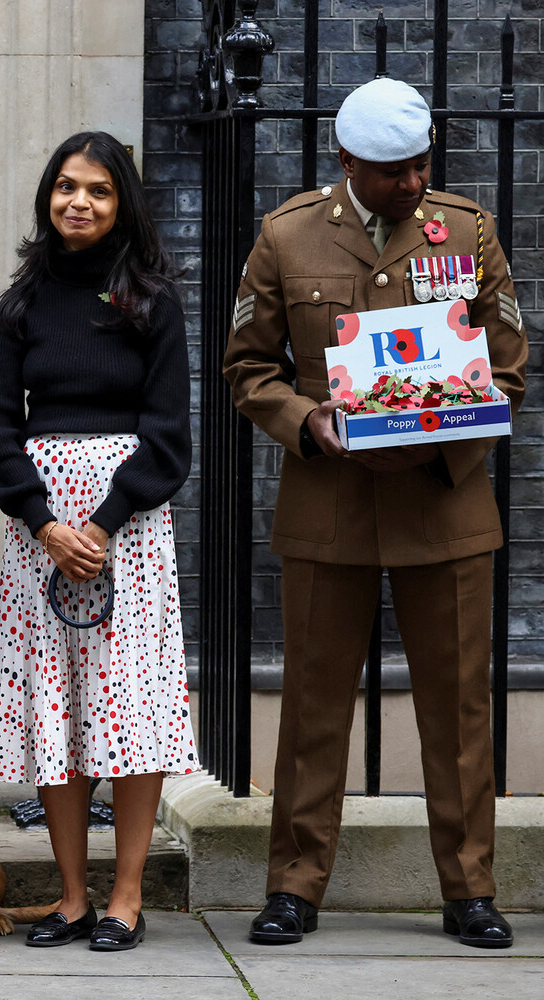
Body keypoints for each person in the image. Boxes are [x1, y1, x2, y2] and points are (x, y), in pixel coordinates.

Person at [223, 78, 526, 949]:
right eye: (396, 170)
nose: (415, 181)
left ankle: (469, 891)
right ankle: (294, 888)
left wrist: (451, 429)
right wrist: (305, 421)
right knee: (314, 706)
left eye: (425, 162)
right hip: (332, 501)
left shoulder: (465, 229)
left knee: (461, 709)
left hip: (446, 501)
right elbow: (248, 367)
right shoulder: (287, 234)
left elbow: (508, 365)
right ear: (350, 162)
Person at [0, 131, 197, 953]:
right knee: (55, 710)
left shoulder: (152, 301)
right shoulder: (23, 303)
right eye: (66, 187)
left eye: (99, 191)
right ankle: (71, 896)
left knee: (129, 710)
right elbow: (0, 429)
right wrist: (44, 523)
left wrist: (101, 524)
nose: (79, 202)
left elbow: (170, 437)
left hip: (125, 535)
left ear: (122, 204)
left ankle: (126, 896)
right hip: (42, 536)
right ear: (47, 198)